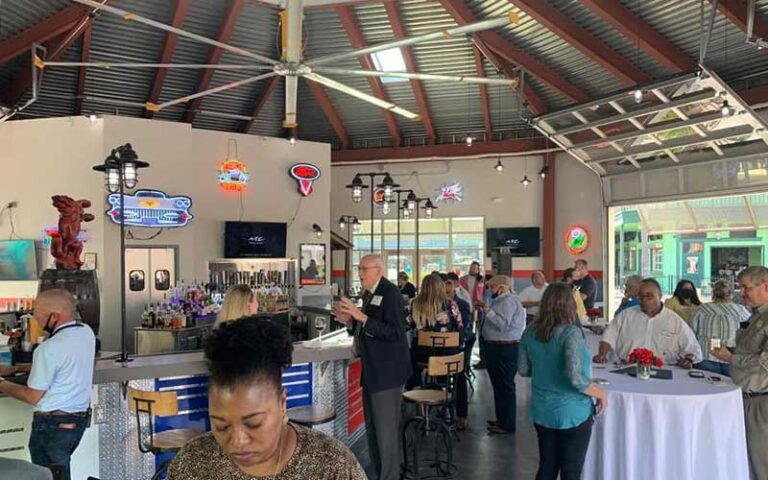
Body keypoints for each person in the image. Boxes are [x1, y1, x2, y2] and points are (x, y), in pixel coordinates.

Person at [167, 318, 366, 479]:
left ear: (282, 403)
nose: (238, 441)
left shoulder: (332, 465)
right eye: (221, 426)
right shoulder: (192, 465)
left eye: (253, 423)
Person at [0, 289, 95, 480]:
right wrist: (18, 368)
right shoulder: (86, 332)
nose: (35, 318)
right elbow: (64, 363)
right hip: (77, 422)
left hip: (52, 426)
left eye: (37, 313)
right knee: (59, 474)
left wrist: (2, 384)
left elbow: (32, 395)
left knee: (48, 476)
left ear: (54, 316)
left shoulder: (48, 349)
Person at [519, 282, 608, 480]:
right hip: (572, 413)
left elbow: (523, 370)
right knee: (570, 471)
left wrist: (545, 369)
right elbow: (576, 378)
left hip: (542, 410)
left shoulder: (530, 331)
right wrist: (601, 394)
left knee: (547, 466)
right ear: (570, 305)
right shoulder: (571, 334)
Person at [334, 254, 411, 480]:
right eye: (359, 269)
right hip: (373, 372)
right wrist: (350, 322)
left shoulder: (390, 293)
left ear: (378, 270)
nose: (360, 273)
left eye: (364, 269)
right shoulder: (370, 294)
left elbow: (396, 332)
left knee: (386, 436)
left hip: (387, 374)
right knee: (375, 434)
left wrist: (362, 317)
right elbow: (365, 328)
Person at [711, 266, 768, 479]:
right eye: (740, 287)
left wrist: (730, 358)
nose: (741, 293)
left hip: (761, 404)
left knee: (762, 466)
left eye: (746, 288)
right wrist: (729, 351)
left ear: (765, 286)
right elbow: (752, 351)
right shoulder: (756, 315)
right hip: (743, 398)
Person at [593, 279, 702, 368]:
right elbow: (608, 337)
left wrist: (688, 360)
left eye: (649, 296)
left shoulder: (674, 320)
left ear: (659, 296)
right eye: (641, 297)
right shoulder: (625, 315)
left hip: (664, 371)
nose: (644, 300)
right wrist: (602, 354)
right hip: (627, 369)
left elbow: (693, 348)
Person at [481, 275, 526, 435]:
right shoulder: (500, 301)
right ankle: (501, 419)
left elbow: (503, 325)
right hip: (497, 347)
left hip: (505, 348)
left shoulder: (509, 301)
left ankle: (508, 424)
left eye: (493, 287)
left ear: (502, 287)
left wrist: (488, 312)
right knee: (498, 385)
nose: (490, 290)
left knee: (505, 386)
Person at [692, 279, 750, 376]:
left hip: (706, 354)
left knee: (707, 388)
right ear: (731, 293)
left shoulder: (702, 309)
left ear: (713, 292)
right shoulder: (740, 310)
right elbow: (749, 331)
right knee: (731, 388)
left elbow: (693, 332)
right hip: (730, 355)